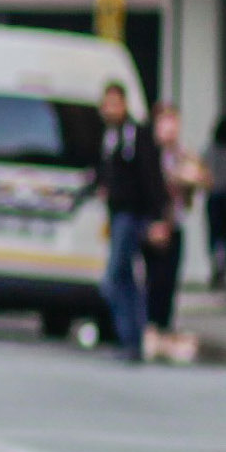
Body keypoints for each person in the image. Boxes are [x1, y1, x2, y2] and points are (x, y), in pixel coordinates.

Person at [91, 83, 167, 363]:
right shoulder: (108, 136)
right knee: (126, 279)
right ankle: (132, 340)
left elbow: (151, 176)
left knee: (113, 280)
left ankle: (130, 337)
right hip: (116, 214)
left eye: (115, 103)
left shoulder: (135, 134)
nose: (110, 109)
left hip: (131, 215)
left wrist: (158, 217)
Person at [144, 101, 204, 354]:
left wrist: (190, 179)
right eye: (165, 124)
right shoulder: (148, 154)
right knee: (153, 279)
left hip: (176, 223)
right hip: (153, 224)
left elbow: (202, 179)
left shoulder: (183, 154)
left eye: (174, 124)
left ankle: (164, 328)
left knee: (169, 279)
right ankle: (149, 327)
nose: (170, 130)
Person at [202, 114, 226, 290]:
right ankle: (224, 268)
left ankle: (217, 266)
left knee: (215, 235)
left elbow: (204, 171)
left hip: (215, 195)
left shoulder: (210, 150)